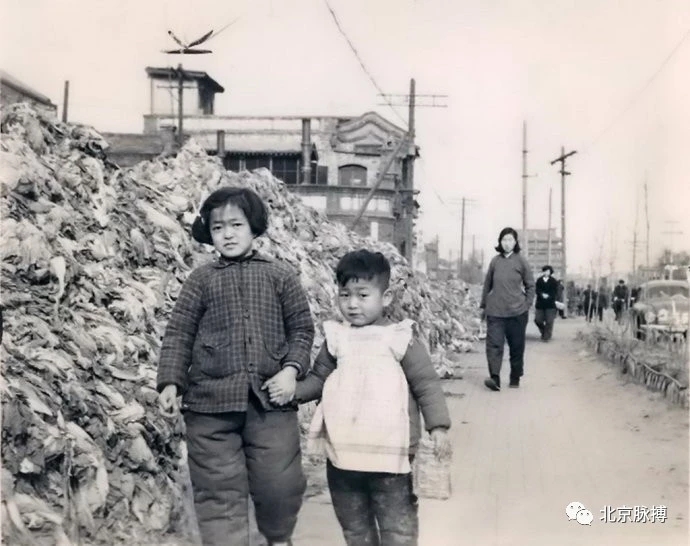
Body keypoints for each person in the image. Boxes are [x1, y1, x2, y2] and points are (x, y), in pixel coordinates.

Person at [156, 187, 315, 546]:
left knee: (280, 484)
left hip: (270, 403)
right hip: (209, 405)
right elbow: (179, 331)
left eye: (236, 225)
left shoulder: (280, 276)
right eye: (217, 228)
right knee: (217, 490)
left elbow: (302, 329)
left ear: (254, 228)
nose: (227, 234)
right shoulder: (201, 279)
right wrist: (170, 382)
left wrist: (290, 370)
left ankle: (277, 537)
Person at [295, 249, 451, 546]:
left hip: (391, 458)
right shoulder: (337, 338)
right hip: (343, 457)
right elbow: (318, 380)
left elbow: (426, 384)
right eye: (345, 295)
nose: (352, 304)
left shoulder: (400, 338)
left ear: (386, 296)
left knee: (398, 531)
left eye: (362, 295)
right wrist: (291, 392)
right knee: (356, 531)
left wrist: (438, 426)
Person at [480, 227, 535, 391]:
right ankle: (495, 378)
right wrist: (483, 306)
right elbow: (487, 285)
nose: (507, 243)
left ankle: (515, 377)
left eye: (510, 240)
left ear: (515, 242)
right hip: (495, 312)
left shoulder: (521, 261)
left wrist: (526, 305)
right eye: (504, 240)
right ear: (500, 242)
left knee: (516, 346)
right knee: (494, 345)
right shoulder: (495, 261)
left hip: (517, 312)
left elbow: (530, 286)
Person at [534, 265, 559, 341]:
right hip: (540, 304)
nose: (546, 272)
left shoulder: (553, 281)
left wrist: (549, 296)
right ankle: (544, 332)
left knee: (549, 321)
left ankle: (546, 337)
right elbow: (537, 290)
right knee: (537, 320)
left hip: (550, 304)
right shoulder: (539, 280)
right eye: (544, 271)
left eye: (548, 271)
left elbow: (555, 291)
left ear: (550, 272)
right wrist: (541, 294)